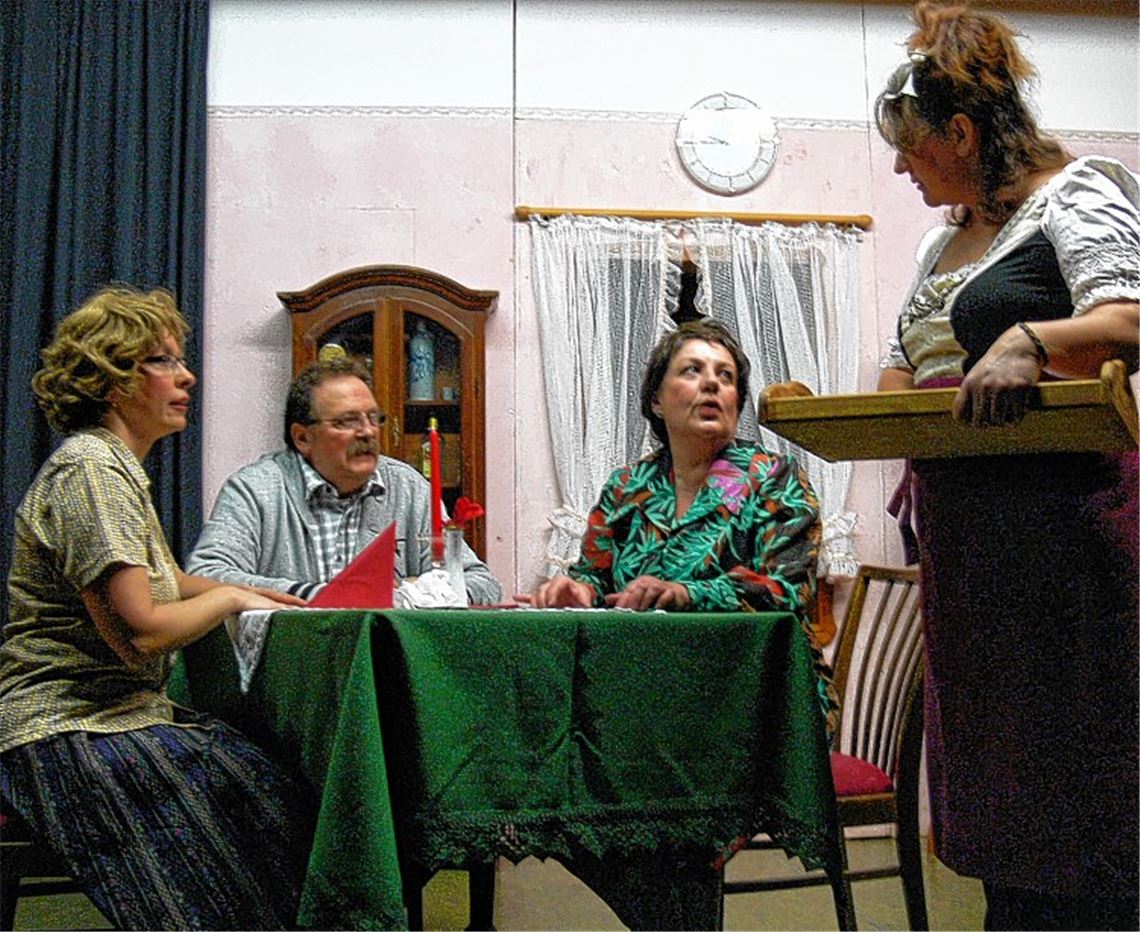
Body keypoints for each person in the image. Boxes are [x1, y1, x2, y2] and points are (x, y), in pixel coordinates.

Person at [874, 4, 1139, 929]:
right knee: (999, 791)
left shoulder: (1080, 191)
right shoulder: (936, 244)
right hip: (970, 547)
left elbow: (1129, 321)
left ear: (961, 131)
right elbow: (906, 368)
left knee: (1082, 780)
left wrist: (1032, 336)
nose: (902, 169)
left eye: (913, 148)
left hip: (1065, 539)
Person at [0, 285, 315, 930]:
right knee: (246, 812)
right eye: (164, 361)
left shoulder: (114, 467)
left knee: (276, 788)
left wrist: (265, 594)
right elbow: (141, 633)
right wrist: (230, 595)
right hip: (66, 726)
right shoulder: (91, 471)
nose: (187, 375)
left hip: (114, 715)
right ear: (114, 380)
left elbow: (164, 579)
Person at [523, 318, 838, 929]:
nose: (712, 386)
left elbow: (783, 589)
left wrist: (684, 593)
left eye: (726, 377)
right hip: (642, 705)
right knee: (553, 772)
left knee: (660, 798)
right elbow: (594, 573)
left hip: (758, 705)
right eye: (692, 371)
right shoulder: (628, 488)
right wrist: (575, 588)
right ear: (655, 398)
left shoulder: (771, 480)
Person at [186, 356, 502, 604]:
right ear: (302, 437)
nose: (366, 432)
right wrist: (318, 594)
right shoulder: (256, 490)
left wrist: (415, 591)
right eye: (347, 421)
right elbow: (205, 575)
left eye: (373, 418)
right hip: (295, 667)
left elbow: (481, 583)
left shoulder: (409, 488)